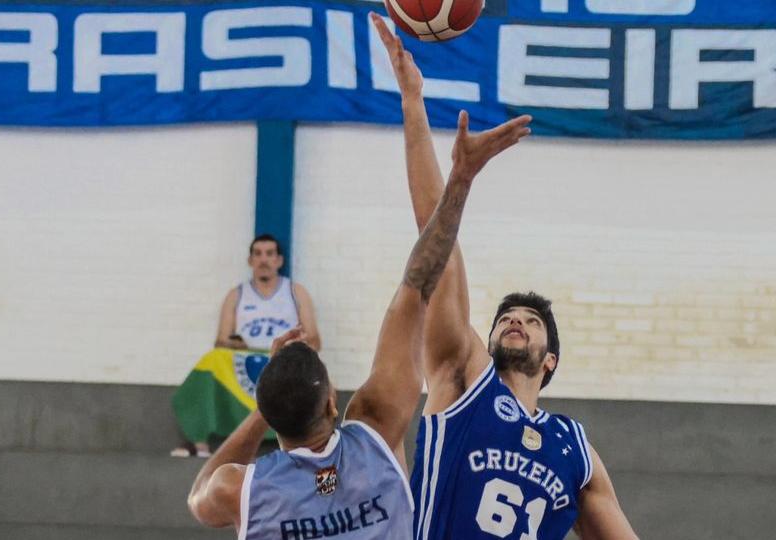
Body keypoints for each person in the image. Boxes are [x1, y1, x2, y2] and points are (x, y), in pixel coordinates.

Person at [187, 106, 530, 539]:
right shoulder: (376, 429)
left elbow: (199, 494)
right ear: (332, 402)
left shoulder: (242, 489)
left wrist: (262, 410)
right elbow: (420, 282)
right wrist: (460, 178)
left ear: (274, 420)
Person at [371, 14, 638, 540]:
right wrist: (415, 109)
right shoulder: (464, 374)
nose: (515, 321)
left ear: (552, 359)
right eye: (506, 318)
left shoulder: (574, 447)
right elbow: (436, 241)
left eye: (531, 321)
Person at [215, 234, 320, 352]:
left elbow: (314, 342)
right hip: (245, 364)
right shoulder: (235, 295)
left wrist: (292, 348)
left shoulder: (296, 292)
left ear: (279, 261)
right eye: (258, 254)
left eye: (269, 254)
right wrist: (234, 344)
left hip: (283, 363)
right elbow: (220, 343)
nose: (263, 260)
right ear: (250, 261)